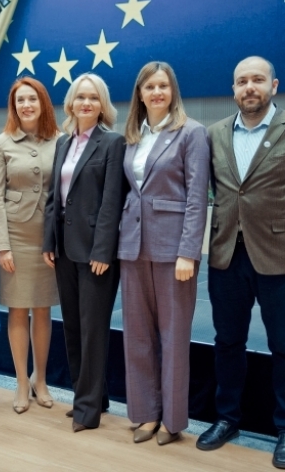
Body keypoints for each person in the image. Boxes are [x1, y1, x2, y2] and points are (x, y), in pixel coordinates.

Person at [195, 56, 285, 469]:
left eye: (257, 79)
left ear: (274, 85)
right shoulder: (214, 134)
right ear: (233, 89)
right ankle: (227, 418)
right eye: (241, 81)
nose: (249, 87)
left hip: (280, 260)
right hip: (226, 257)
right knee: (227, 342)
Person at [118, 62, 210, 445]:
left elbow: (197, 197)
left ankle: (172, 421)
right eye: (150, 87)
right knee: (137, 336)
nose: (157, 92)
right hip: (132, 246)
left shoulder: (192, 133)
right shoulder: (132, 136)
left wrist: (189, 251)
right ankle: (145, 413)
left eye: (163, 86)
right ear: (140, 94)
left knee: (173, 338)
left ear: (173, 91)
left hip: (173, 251)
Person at [42, 73, 126, 432]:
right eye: (80, 97)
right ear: (71, 103)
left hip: (95, 251)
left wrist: (103, 251)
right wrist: (49, 241)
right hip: (64, 248)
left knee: (93, 330)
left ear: (102, 104)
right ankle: (90, 395)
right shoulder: (63, 142)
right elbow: (54, 197)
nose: (86, 103)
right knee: (73, 326)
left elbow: (112, 201)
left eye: (93, 97)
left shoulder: (113, 142)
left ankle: (87, 411)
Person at [0, 77, 60, 414]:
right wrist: (1, 246)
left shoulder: (60, 140)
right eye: (20, 100)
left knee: (43, 309)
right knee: (17, 309)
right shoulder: (0, 143)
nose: (26, 105)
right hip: (15, 236)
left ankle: (39, 379)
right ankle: (19, 382)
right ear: (13, 107)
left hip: (48, 239)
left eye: (32, 99)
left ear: (43, 103)